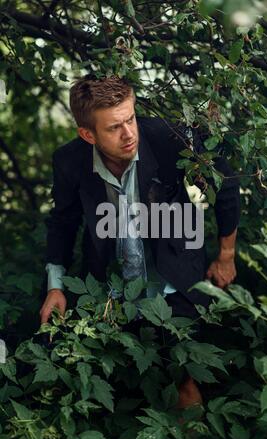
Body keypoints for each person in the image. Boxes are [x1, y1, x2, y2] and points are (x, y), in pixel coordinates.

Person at [40, 75, 240, 409]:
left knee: (184, 387)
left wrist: (227, 254)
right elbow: (62, 223)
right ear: (87, 134)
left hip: (175, 279)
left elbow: (227, 182)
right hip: (109, 290)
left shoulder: (168, 136)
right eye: (114, 127)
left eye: (130, 119)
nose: (129, 133)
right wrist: (55, 286)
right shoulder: (69, 161)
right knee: (122, 392)